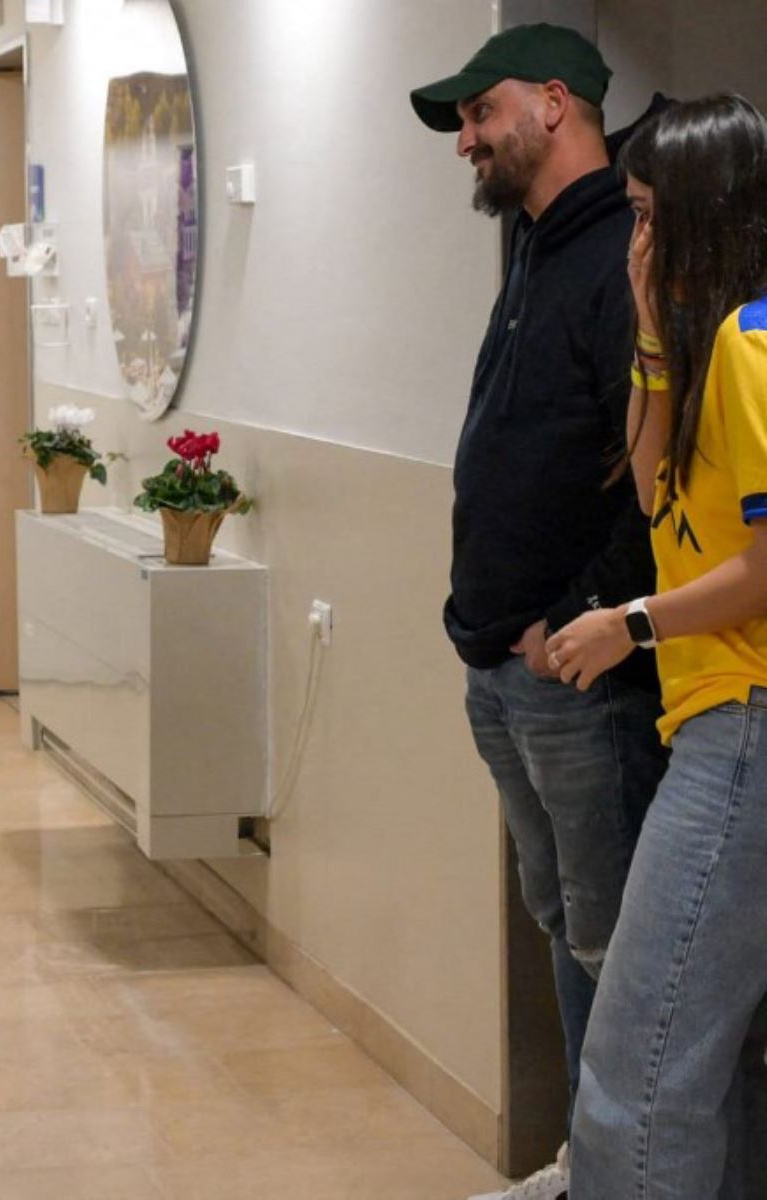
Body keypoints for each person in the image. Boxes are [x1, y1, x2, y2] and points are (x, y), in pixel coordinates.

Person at [410, 25, 668, 1200]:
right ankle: (585, 1159)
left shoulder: (624, 248)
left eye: (480, 113)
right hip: (507, 675)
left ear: (556, 104)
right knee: (569, 923)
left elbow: (651, 462)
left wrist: (578, 614)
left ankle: (609, 1170)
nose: (466, 140)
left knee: (617, 944)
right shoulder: (536, 247)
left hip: (579, 678)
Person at [546, 92, 767, 1199]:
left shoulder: (754, 341)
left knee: (637, 1069)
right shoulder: (707, 345)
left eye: (646, 218)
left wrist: (630, 625)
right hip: (718, 725)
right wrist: (645, 329)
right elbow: (657, 502)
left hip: (745, 729)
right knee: (698, 1066)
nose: (635, 241)